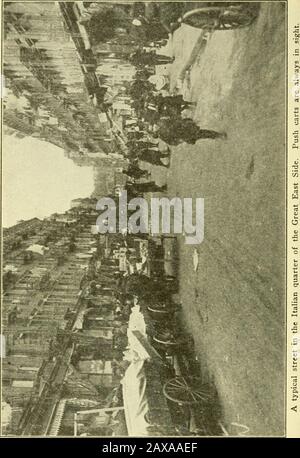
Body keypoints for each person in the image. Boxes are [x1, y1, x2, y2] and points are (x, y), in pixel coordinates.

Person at [157, 117, 227, 145]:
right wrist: (178, 141)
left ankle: (218, 135)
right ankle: (217, 136)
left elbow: (176, 120)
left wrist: (187, 121)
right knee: (201, 134)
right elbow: (171, 142)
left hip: (186, 130)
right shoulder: (162, 134)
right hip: (184, 135)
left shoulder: (164, 122)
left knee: (202, 133)